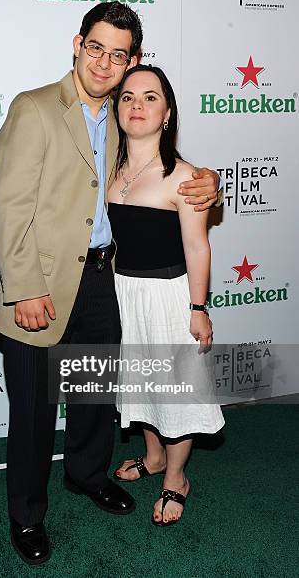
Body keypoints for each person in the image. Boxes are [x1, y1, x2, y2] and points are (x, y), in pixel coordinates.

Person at [0, 2, 220, 565]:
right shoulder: (36, 108)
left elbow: (161, 168)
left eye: (120, 54)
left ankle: (87, 476)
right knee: (36, 409)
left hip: (102, 279)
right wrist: (24, 288)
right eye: (97, 47)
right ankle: (27, 515)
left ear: (131, 60)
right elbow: (8, 204)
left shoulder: (121, 120)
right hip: (41, 284)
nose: (106, 62)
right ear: (77, 44)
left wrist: (208, 181)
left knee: (93, 398)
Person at [108, 64, 225, 525]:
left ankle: (176, 478)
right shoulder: (108, 168)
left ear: (167, 112)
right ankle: (153, 457)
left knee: (174, 390)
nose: (137, 105)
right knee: (140, 384)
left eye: (150, 97)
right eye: (128, 97)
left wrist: (198, 308)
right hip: (122, 291)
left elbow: (198, 245)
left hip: (168, 295)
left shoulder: (185, 177)